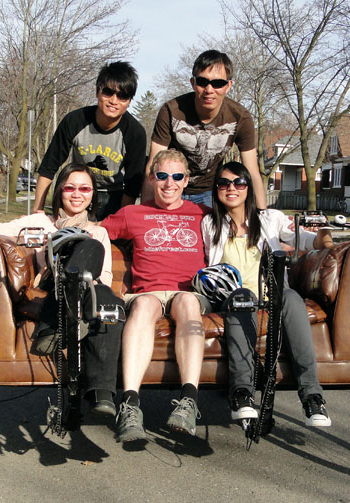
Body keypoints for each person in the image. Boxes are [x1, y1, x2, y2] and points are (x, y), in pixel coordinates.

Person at [0, 163, 122, 416]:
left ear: (92, 196)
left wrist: (87, 280)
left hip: (86, 289)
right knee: (80, 247)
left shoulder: (98, 231)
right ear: (60, 191)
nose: (77, 194)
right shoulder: (40, 221)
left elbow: (106, 278)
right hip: (50, 285)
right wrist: (36, 238)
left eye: (84, 188)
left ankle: (101, 394)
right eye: (70, 187)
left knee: (99, 270)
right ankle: (63, 302)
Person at [200, 161, 333, 427]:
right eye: (224, 184)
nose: (231, 188)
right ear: (216, 190)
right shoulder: (210, 224)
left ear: (248, 187)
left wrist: (325, 236)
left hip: (272, 294)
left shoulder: (270, 219)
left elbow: (306, 239)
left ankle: (312, 397)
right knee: (241, 299)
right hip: (234, 297)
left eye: (238, 182)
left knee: (291, 297)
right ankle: (242, 393)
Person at [101, 149, 211, 442]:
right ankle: (130, 404)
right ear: (152, 178)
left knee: (188, 301)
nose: (169, 183)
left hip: (185, 292)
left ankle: (188, 402)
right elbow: (97, 232)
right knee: (144, 306)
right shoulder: (133, 213)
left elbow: (241, 226)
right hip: (145, 292)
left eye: (176, 176)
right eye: (162, 176)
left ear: (186, 181)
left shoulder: (203, 215)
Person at [143, 50, 266, 209]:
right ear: (193, 82)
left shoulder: (240, 117)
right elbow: (153, 164)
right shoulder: (171, 111)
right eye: (202, 82)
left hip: (209, 192)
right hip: (171, 188)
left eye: (218, 83)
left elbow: (252, 172)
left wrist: (263, 215)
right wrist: (145, 211)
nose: (209, 89)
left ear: (228, 86)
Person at [32, 61, 146, 220]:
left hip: (113, 196)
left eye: (122, 96)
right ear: (98, 91)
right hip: (76, 192)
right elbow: (48, 169)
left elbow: (132, 186)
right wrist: (37, 212)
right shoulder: (74, 121)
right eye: (108, 92)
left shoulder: (135, 133)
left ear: (129, 101)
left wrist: (121, 220)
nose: (114, 100)